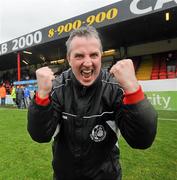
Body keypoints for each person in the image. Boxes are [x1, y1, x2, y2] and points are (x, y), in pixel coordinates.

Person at [27, 26, 157, 180]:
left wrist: (132, 88)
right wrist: (42, 95)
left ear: (101, 56)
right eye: (79, 56)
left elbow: (142, 141)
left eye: (94, 55)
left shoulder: (115, 88)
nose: (87, 63)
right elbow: (40, 135)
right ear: (69, 59)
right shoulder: (57, 88)